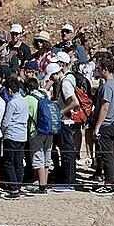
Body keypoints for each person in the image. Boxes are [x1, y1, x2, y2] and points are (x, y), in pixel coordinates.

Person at [91, 54, 114, 195]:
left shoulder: (107, 87)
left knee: (107, 155)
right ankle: (113, 179)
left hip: (107, 125)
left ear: (104, 69)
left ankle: (109, 183)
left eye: (99, 69)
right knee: (113, 154)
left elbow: (105, 107)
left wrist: (97, 126)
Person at [50, 63, 78, 191]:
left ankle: (70, 181)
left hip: (66, 122)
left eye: (52, 77)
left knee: (67, 152)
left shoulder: (65, 83)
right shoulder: (64, 82)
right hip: (65, 121)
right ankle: (67, 178)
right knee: (66, 151)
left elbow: (74, 102)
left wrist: (60, 112)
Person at [24, 77, 53, 195]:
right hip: (49, 130)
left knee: (38, 157)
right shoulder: (44, 96)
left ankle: (41, 187)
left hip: (36, 131)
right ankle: (44, 182)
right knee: (47, 157)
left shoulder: (28, 99)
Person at [0, 77, 28, 199]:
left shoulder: (12, 103)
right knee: (18, 162)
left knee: (8, 162)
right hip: (22, 135)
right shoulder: (24, 101)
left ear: (10, 90)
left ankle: (14, 188)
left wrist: (1, 131)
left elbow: (6, 121)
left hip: (12, 134)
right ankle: (17, 185)